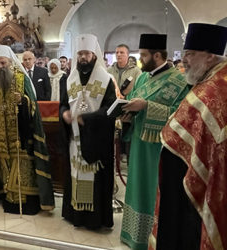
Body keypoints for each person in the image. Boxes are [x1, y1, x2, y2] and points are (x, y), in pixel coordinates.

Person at [150, 23, 227, 250]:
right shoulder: (210, 79)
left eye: (190, 54)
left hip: (194, 192)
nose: (184, 60)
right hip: (185, 185)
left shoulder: (216, 88)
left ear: (210, 56)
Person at [118, 34, 189, 250]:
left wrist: (146, 106)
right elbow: (134, 102)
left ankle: (150, 239)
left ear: (157, 55)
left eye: (143, 56)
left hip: (158, 149)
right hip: (139, 143)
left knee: (152, 191)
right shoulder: (142, 78)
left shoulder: (180, 81)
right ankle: (133, 234)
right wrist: (128, 115)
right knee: (136, 187)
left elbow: (180, 114)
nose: (140, 60)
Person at [0, 45, 55, 214]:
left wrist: (22, 100)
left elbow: (33, 106)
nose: (1, 67)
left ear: (10, 62)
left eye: (3, 63)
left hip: (21, 137)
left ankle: (27, 200)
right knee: (4, 167)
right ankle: (8, 197)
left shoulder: (22, 79)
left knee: (23, 169)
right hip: (1, 138)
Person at [59, 34, 116, 230]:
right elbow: (63, 104)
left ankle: (94, 219)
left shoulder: (106, 80)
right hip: (75, 139)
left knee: (96, 178)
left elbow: (110, 108)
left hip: (96, 139)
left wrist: (89, 119)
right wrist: (64, 113)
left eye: (87, 53)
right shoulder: (69, 79)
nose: (83, 57)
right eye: (80, 54)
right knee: (74, 174)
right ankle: (75, 214)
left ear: (94, 55)